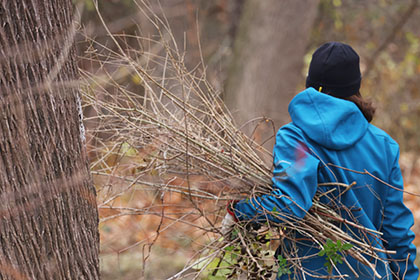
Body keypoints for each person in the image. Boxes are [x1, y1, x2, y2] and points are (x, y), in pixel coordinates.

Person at [222, 42, 418, 279]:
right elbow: (396, 231)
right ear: (355, 87)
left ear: (310, 84)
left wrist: (240, 211)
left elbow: (287, 206)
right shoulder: (384, 145)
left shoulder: (295, 138)